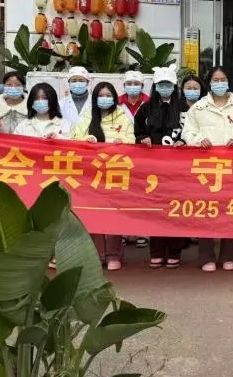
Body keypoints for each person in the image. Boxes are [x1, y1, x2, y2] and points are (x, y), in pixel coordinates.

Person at [181, 66, 233, 272]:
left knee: (229, 210)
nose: (220, 83)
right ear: (209, 82)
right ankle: (206, 257)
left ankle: (228, 255)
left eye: (223, 79)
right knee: (206, 211)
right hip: (205, 167)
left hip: (231, 167)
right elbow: (188, 132)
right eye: (216, 80)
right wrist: (198, 140)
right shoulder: (199, 108)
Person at [70, 82, 135, 271]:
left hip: (115, 171)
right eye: (101, 95)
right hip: (91, 173)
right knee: (94, 212)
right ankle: (96, 254)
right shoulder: (87, 116)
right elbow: (73, 139)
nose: (104, 99)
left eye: (108, 95)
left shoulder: (122, 116)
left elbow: (132, 139)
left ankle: (114, 253)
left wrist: (122, 141)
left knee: (114, 213)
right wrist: (86, 140)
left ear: (114, 98)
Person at [134, 65, 188, 268]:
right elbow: (138, 130)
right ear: (155, 86)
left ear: (174, 86)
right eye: (161, 84)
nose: (165, 88)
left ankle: (174, 251)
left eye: (168, 84)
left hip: (177, 169)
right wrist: (143, 138)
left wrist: (184, 141)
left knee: (175, 210)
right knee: (156, 210)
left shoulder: (184, 109)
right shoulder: (146, 109)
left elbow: (191, 130)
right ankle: (156, 251)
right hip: (153, 169)